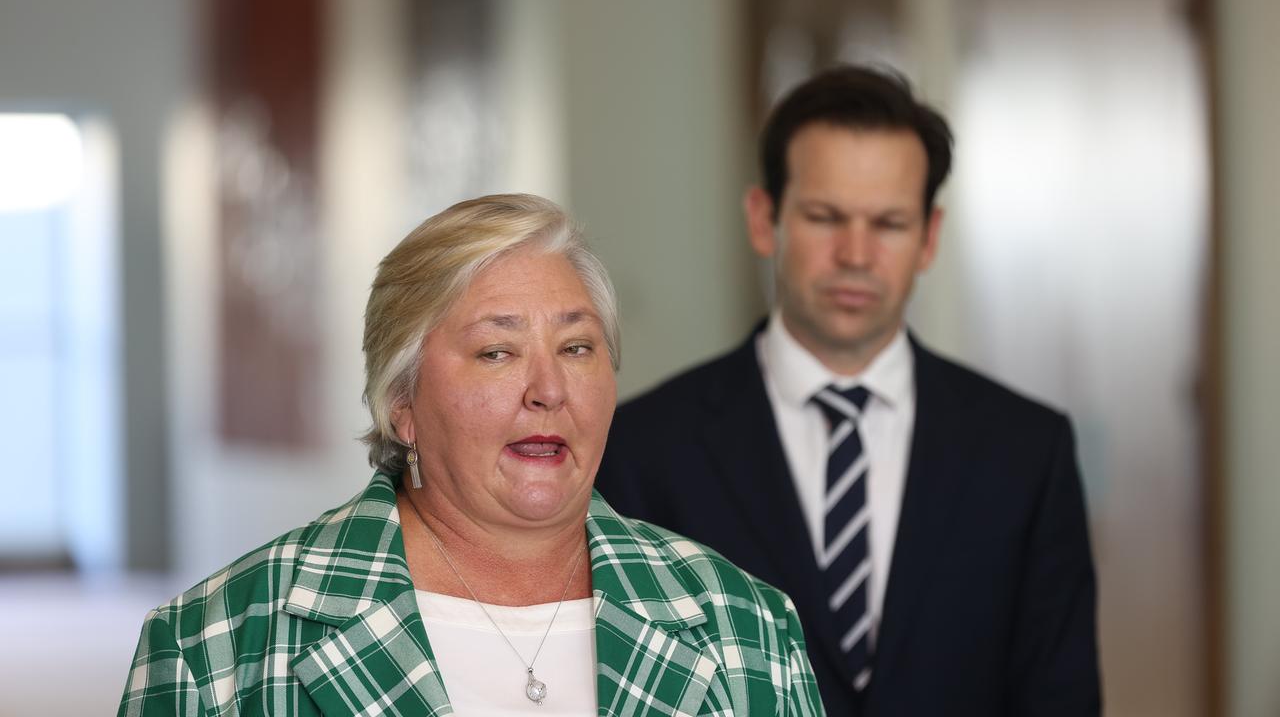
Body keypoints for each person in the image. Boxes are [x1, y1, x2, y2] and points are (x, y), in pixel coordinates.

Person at [118, 194, 824, 716]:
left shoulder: (747, 623)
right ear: (403, 404)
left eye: (577, 348)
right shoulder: (213, 642)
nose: (549, 390)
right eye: (497, 351)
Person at [595, 66, 1101, 716]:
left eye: (888, 223)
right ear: (763, 218)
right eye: (824, 216)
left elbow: (1061, 699)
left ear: (929, 237)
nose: (856, 253)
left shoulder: (1028, 452)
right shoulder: (645, 448)